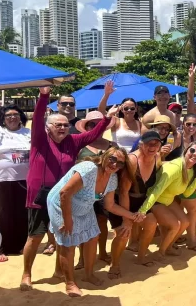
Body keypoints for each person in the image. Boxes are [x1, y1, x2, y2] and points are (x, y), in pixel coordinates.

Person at [21, 87, 117, 292]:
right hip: (39, 193)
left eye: (65, 125)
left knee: (61, 236)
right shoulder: (39, 139)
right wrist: (44, 95)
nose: (63, 128)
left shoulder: (73, 141)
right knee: (35, 235)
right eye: (58, 125)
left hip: (63, 195)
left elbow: (93, 134)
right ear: (49, 128)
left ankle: (59, 271)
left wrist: (106, 119)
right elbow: (38, 118)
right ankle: (27, 274)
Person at [46, 147, 143, 297]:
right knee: (68, 243)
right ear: (104, 156)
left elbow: (110, 205)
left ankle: (89, 274)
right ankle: (70, 283)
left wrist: (131, 216)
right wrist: (67, 220)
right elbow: (64, 193)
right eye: (112, 159)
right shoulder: (88, 169)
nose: (115, 164)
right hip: (61, 204)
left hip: (84, 206)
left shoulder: (112, 178)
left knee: (93, 237)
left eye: (120, 163)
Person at [138, 143, 196, 260]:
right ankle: (160, 252)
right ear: (185, 151)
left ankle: (167, 247)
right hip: (156, 200)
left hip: (168, 200)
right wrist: (143, 210)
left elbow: (186, 193)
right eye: (192, 150)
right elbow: (156, 191)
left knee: (185, 222)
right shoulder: (174, 168)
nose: (195, 154)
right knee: (175, 225)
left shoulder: (191, 169)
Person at [0, 102, 31, 262]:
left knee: (23, 212)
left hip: (25, 178)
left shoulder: (28, 132)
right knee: (3, 213)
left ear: (20, 117)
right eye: (8, 115)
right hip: (2, 178)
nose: (12, 118)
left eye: (15, 114)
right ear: (3, 118)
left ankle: (21, 245)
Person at [108, 131, 161, 276]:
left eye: (157, 144)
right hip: (122, 201)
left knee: (151, 224)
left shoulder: (157, 157)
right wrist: (127, 219)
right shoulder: (132, 160)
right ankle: (114, 264)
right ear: (141, 144)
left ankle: (141, 256)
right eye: (150, 144)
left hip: (140, 200)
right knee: (124, 232)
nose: (153, 147)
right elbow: (124, 192)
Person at [74, 111, 117, 270]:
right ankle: (81, 258)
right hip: (83, 192)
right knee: (82, 225)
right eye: (93, 124)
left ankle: (103, 252)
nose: (97, 126)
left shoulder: (112, 145)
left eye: (100, 123)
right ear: (87, 127)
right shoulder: (80, 146)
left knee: (101, 222)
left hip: (105, 191)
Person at [98, 80, 143, 151]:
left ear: (136, 109)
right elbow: (101, 110)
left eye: (132, 108)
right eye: (126, 108)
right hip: (119, 157)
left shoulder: (140, 124)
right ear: (122, 109)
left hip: (134, 157)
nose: (129, 110)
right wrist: (106, 94)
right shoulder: (116, 121)